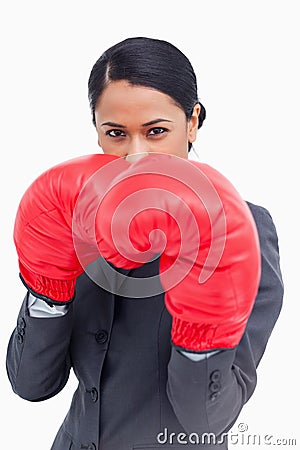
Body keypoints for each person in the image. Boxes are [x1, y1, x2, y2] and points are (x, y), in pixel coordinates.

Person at [6, 37, 284, 450]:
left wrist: (202, 333)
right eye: (116, 133)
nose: (137, 156)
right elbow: (31, 385)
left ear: (192, 123)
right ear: (97, 133)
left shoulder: (241, 228)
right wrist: (48, 291)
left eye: (156, 131)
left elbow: (207, 422)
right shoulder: (74, 213)